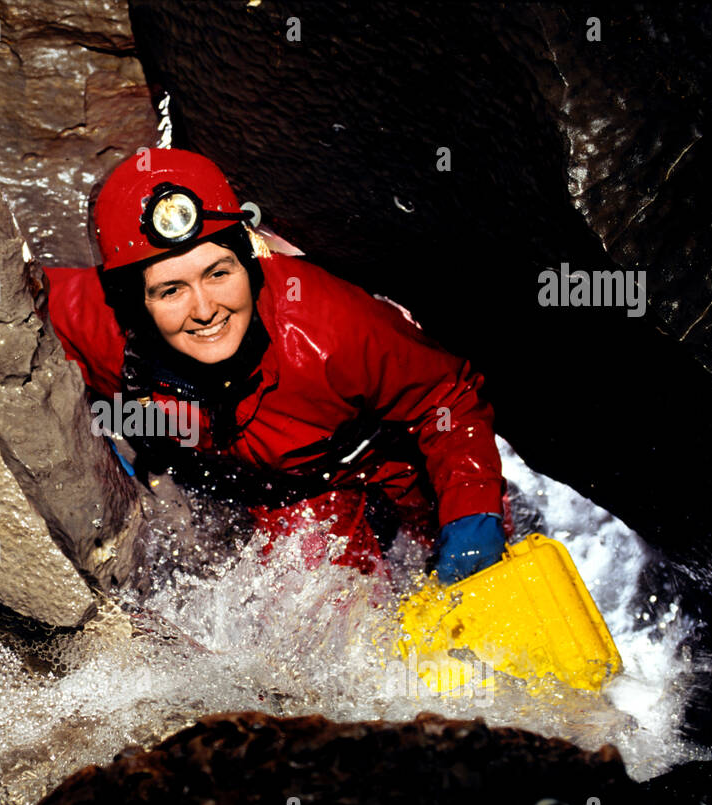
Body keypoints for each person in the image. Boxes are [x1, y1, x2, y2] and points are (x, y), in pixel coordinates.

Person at [39, 147, 508, 584]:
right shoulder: (104, 328)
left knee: (471, 571)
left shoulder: (331, 330)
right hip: (285, 493)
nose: (204, 310)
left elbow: (446, 398)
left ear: (251, 264)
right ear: (134, 305)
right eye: (171, 290)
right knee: (331, 629)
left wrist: (472, 514)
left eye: (219, 273)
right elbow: (12, 299)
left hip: (385, 460)